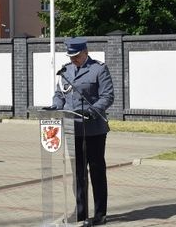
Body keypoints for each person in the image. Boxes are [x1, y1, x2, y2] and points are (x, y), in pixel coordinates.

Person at [47, 37, 114, 226]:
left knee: (96, 171)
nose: (73, 60)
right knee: (78, 173)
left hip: (93, 129)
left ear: (85, 52)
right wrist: (55, 107)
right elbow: (60, 94)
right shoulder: (65, 70)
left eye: (76, 56)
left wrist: (92, 110)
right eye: (71, 56)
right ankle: (80, 212)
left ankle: (100, 213)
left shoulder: (99, 69)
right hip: (71, 128)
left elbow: (108, 96)